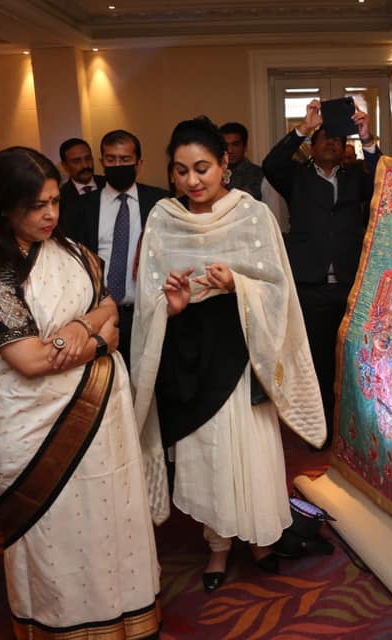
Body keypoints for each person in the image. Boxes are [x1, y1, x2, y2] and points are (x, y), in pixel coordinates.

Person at [0, 146, 161, 639]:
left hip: (99, 413)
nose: (50, 214)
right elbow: (30, 360)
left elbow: (108, 304)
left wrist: (78, 329)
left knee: (107, 512)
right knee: (53, 526)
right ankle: (59, 622)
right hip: (29, 423)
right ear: (5, 207)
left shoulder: (68, 251)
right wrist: (99, 340)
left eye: (54, 202)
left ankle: (122, 614)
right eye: (36, 206)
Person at [131, 117, 326, 593]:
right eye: (181, 171)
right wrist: (173, 306)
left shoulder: (252, 215)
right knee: (208, 455)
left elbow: (278, 290)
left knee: (251, 449)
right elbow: (149, 301)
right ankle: (217, 545)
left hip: (244, 351)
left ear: (224, 165)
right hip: (190, 354)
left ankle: (260, 539)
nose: (192, 181)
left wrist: (237, 284)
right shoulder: (163, 219)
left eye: (202, 168)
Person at [262, 98, 380, 438]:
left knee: (350, 361)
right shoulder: (295, 177)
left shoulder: (357, 178)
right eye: (324, 137)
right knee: (314, 360)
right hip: (309, 285)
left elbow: (385, 179)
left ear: (344, 147)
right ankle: (319, 427)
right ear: (312, 146)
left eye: (338, 138)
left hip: (349, 284)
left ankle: (351, 430)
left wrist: (367, 139)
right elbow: (271, 164)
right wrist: (303, 128)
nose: (331, 142)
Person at [58, 129, 169, 367]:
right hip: (99, 316)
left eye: (125, 159)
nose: (118, 165)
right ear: (102, 162)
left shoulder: (160, 202)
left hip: (147, 313)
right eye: (111, 159)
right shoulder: (80, 207)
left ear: (138, 163)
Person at [219, 122, 264, 200]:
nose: (230, 150)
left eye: (235, 144)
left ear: (245, 147)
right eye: (225, 145)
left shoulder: (257, 174)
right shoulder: (213, 172)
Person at [58, 138, 105, 211]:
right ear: (65, 166)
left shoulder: (108, 183)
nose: (85, 165)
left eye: (88, 158)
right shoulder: (61, 198)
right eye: (76, 161)